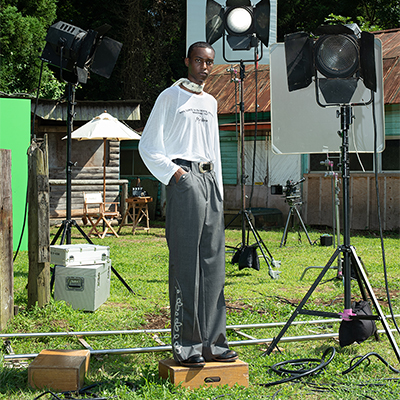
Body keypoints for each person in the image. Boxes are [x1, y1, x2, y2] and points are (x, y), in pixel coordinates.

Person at [139, 41, 238, 367]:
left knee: (214, 264)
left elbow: (213, 148)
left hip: (210, 181)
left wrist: (219, 191)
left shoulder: (210, 102)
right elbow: (148, 146)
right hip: (186, 178)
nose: (204, 68)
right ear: (187, 61)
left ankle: (214, 343)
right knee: (187, 264)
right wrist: (176, 175)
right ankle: (187, 344)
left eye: (209, 62)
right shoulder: (169, 97)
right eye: (198, 61)